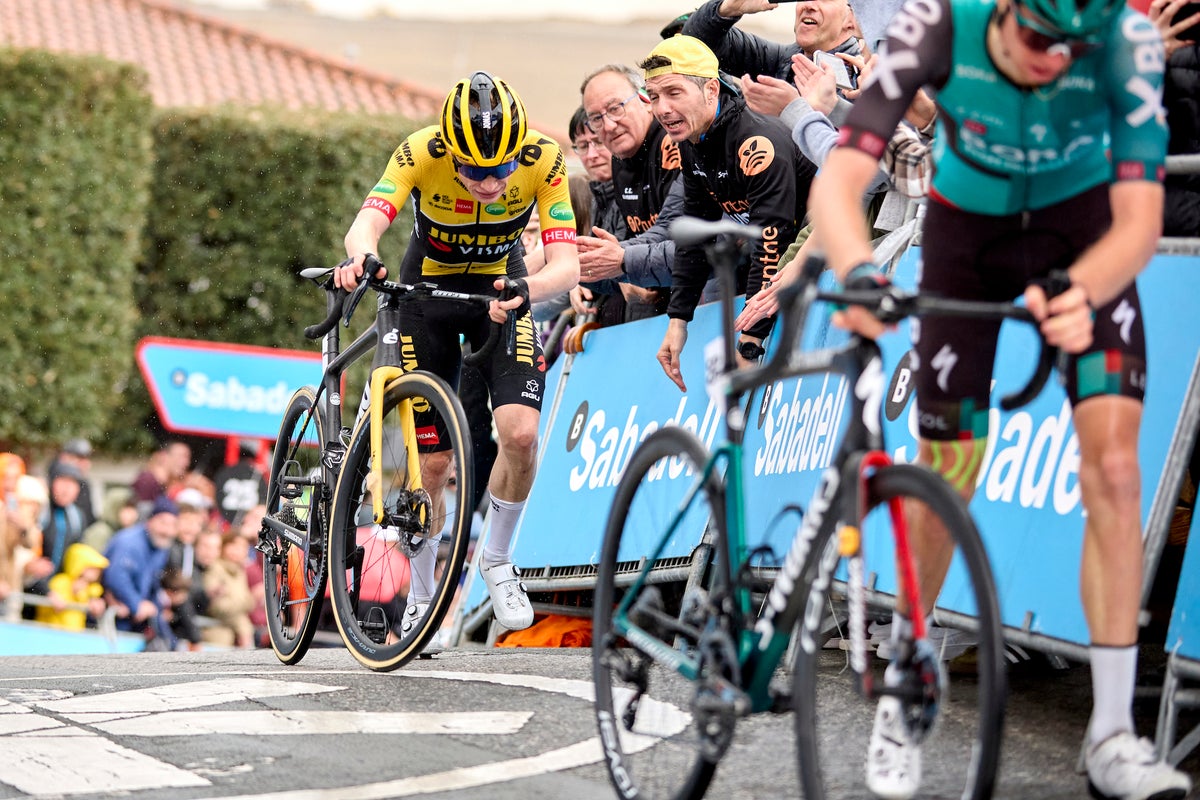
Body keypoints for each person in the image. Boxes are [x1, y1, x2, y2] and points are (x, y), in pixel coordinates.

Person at [807, 0, 1186, 795]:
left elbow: (1142, 217)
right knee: (949, 468)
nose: (1056, 60)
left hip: (1083, 235)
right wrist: (862, 273)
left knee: (1115, 471)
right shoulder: (940, 23)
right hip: (965, 239)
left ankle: (1113, 733)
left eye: (1074, 47)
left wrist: (1086, 289)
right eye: (1040, 39)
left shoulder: (1127, 41)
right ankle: (908, 675)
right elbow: (840, 183)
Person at [333, 72, 579, 633]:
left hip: (501, 291)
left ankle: (496, 560)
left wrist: (528, 290)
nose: (490, 183)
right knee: (435, 462)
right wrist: (367, 257)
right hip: (428, 298)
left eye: (502, 169)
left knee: (519, 435)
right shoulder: (421, 149)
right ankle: (421, 594)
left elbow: (565, 265)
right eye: (474, 171)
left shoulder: (544, 158)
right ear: (450, 151)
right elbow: (366, 224)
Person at [637, 35, 817, 391]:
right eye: (654, 96)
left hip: (814, 243)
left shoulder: (754, 141)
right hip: (774, 250)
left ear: (710, 91)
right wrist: (678, 319)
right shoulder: (694, 141)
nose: (662, 109)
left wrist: (750, 342)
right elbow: (696, 232)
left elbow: (770, 239)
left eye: (674, 93)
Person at [682, 0, 864, 90]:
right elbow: (696, 42)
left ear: (852, 18)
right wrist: (728, 8)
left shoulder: (867, 77)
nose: (808, 5)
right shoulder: (783, 60)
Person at [103, 496, 179, 637]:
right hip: (110, 614)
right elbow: (115, 577)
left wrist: (157, 608)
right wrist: (136, 604)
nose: (167, 530)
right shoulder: (129, 542)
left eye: (173, 525)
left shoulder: (161, 546)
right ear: (150, 521)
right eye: (163, 523)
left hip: (134, 618)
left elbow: (153, 583)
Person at [201, 530, 257, 648]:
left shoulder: (239, 571)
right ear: (224, 547)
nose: (238, 551)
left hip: (234, 627)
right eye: (234, 546)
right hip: (215, 627)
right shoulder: (215, 568)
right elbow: (216, 606)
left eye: (243, 547)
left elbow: (248, 603)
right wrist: (247, 603)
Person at [35, 542, 108, 631]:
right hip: (52, 631)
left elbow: (95, 598)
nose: (97, 572)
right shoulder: (60, 582)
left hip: (75, 633)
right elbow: (50, 604)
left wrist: (95, 603)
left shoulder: (91, 588)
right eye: (92, 567)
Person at [47, 438, 95, 528]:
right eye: (80, 458)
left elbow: (88, 517)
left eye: (86, 459)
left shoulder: (84, 484)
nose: (85, 464)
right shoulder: (50, 480)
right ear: (64, 457)